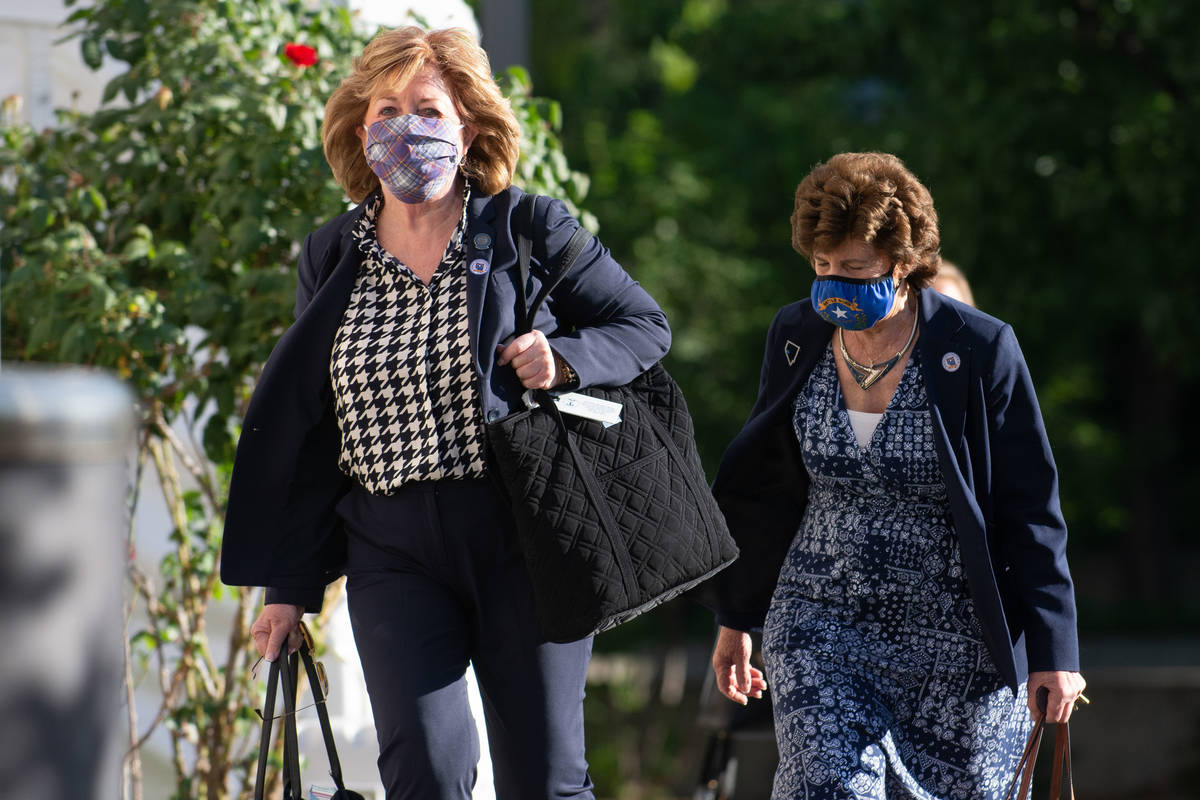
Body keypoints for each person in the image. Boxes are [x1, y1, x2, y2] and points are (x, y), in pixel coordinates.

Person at [219, 27, 671, 799]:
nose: (405, 126)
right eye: (386, 109)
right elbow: (311, 428)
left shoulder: (527, 228)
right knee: (423, 771)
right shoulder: (332, 255)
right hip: (389, 546)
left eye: (426, 108)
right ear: (363, 132)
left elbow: (644, 328)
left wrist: (563, 359)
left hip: (522, 535)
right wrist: (287, 588)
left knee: (545, 779)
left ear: (467, 125)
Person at [704, 152, 1085, 799]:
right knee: (831, 787)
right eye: (822, 266)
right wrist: (736, 617)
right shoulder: (796, 334)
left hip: (956, 645)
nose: (833, 284)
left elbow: (1030, 506)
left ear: (903, 262)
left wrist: (1056, 650)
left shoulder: (980, 348)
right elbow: (766, 486)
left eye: (854, 268)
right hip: (820, 620)